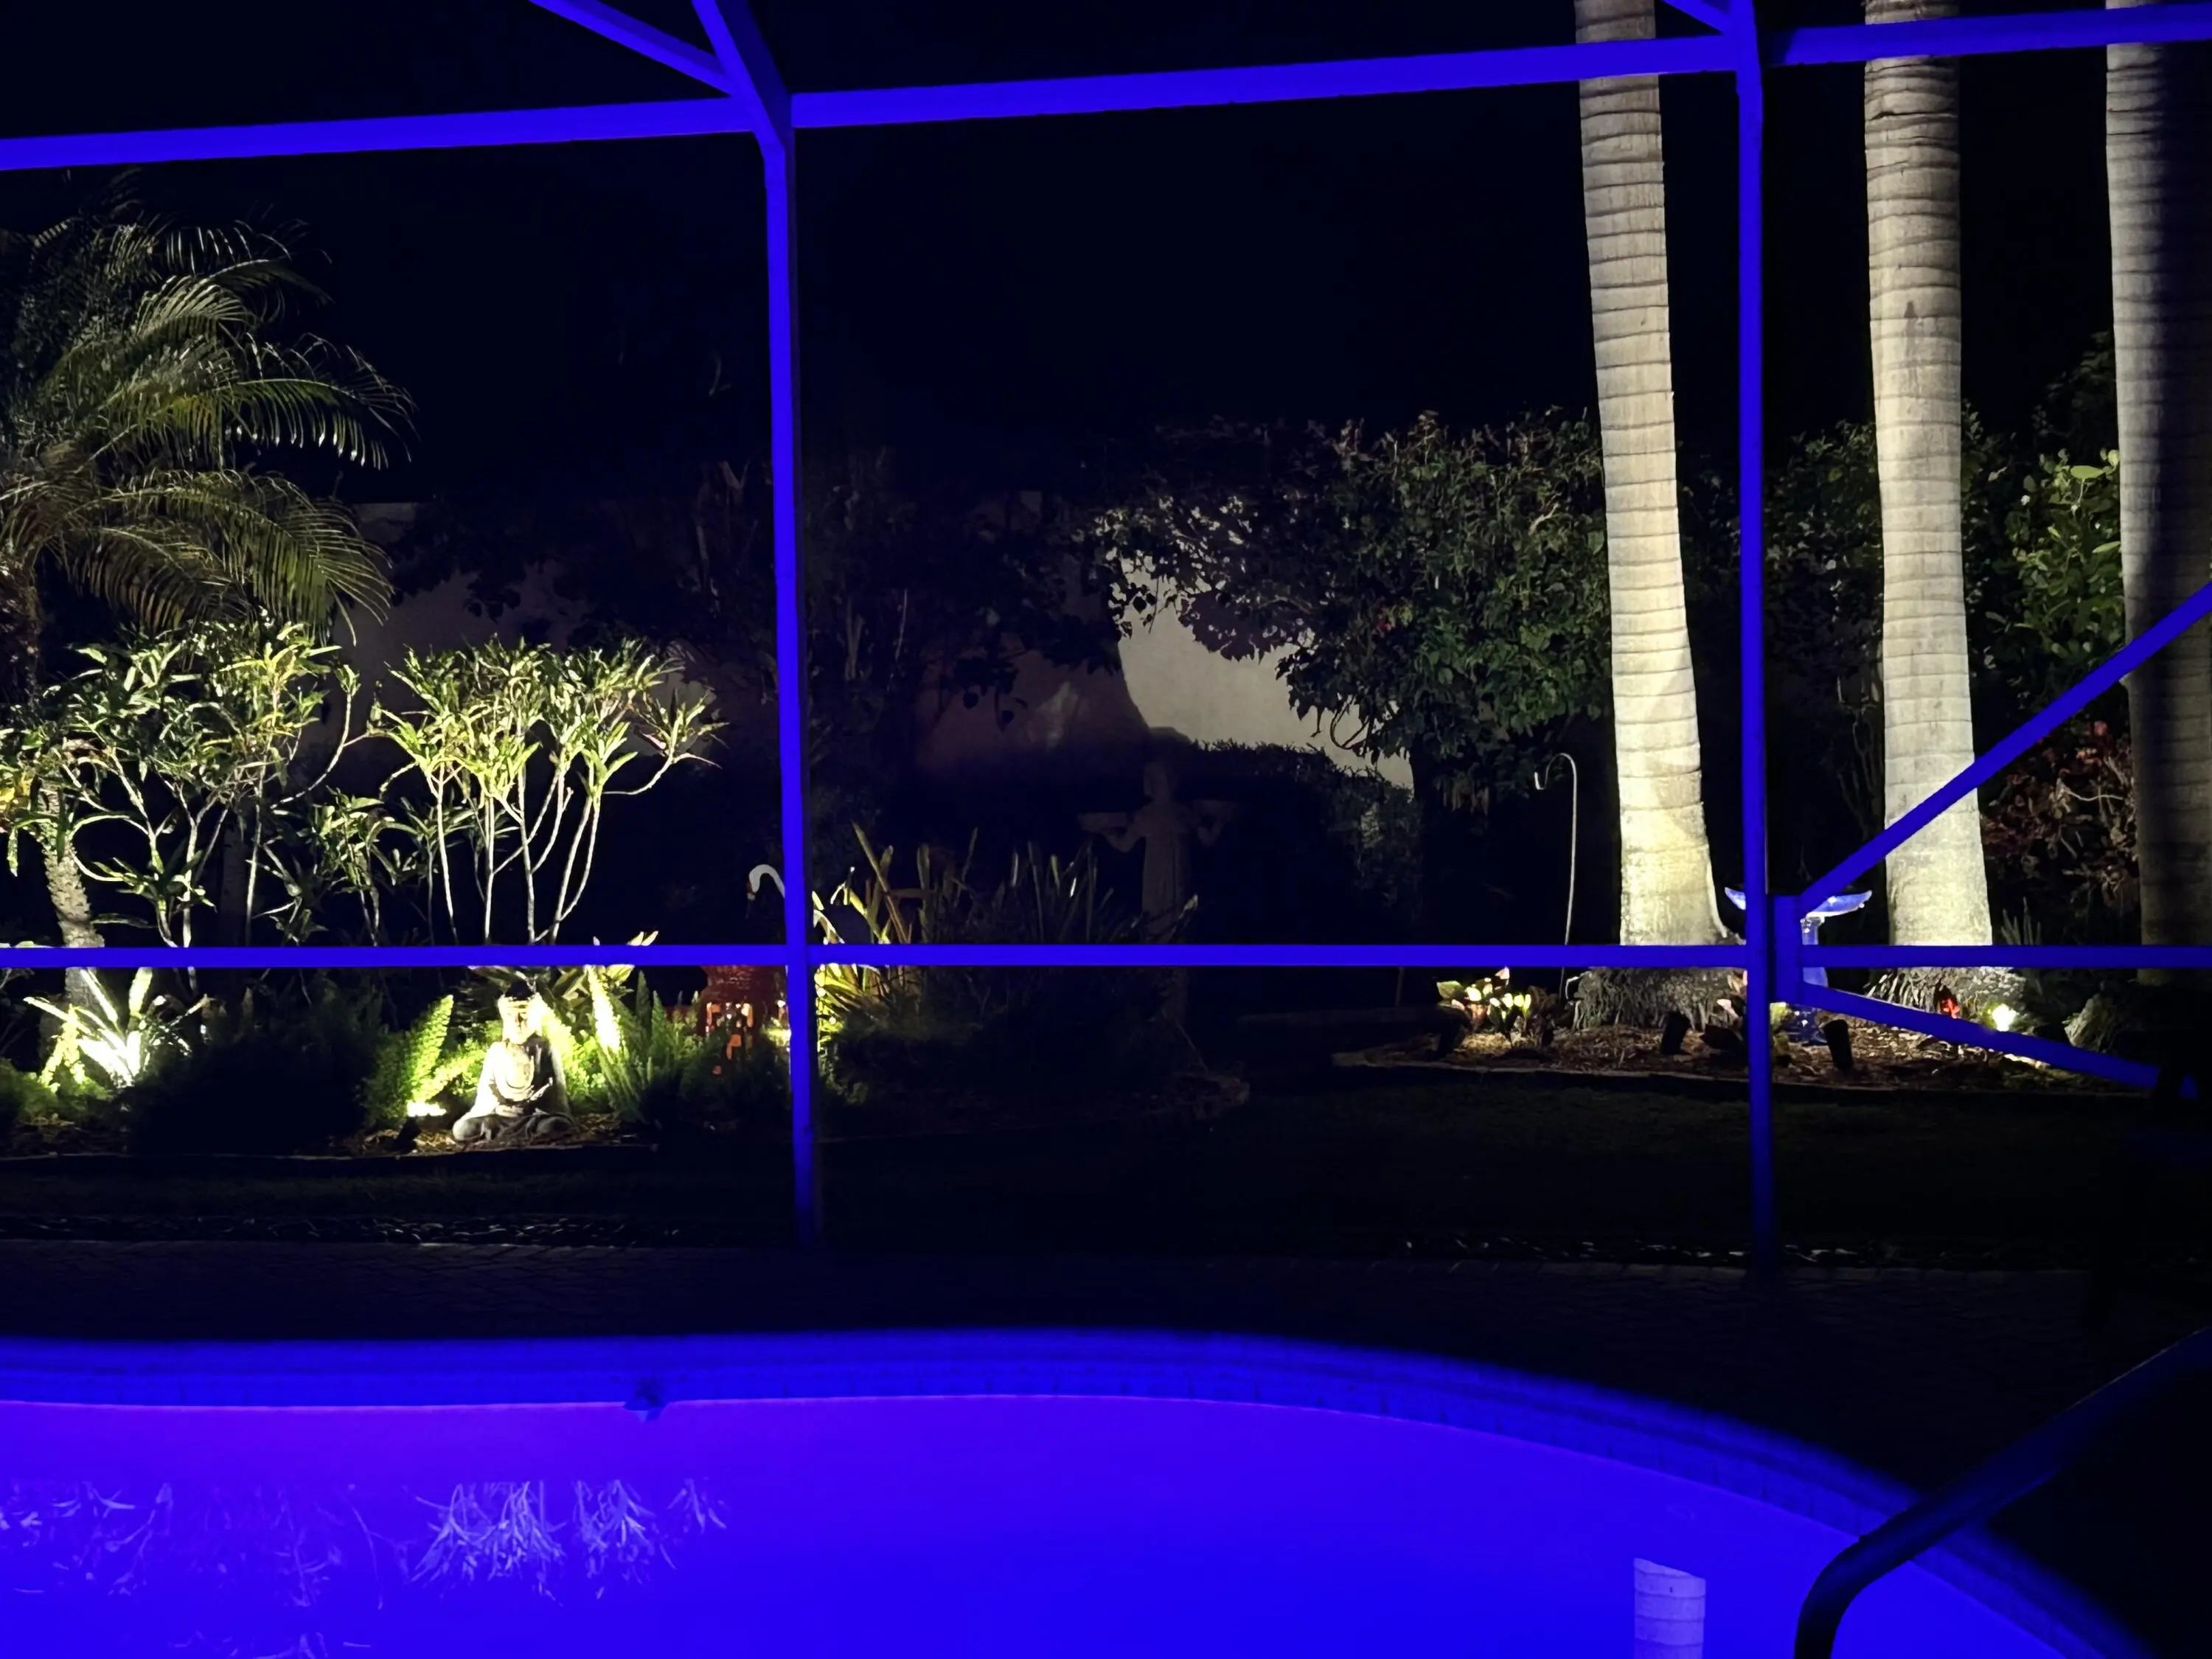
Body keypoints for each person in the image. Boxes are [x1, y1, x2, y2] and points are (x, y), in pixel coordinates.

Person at [451, 981, 573, 1144]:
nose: (517, 1021)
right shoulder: (497, 1051)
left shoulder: (544, 1048)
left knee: (555, 1125)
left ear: (534, 1015)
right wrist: (500, 1107)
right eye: (510, 1015)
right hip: (500, 1118)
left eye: (523, 1014)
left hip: (534, 1117)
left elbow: (556, 1094)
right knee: (463, 1129)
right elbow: (488, 1091)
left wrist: (532, 1107)